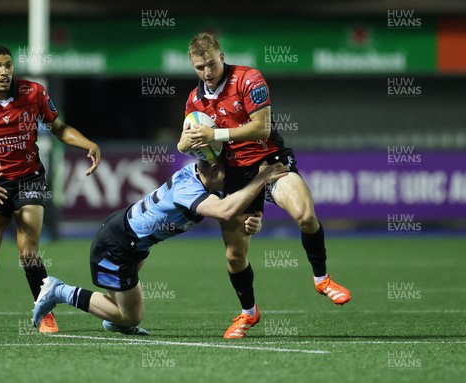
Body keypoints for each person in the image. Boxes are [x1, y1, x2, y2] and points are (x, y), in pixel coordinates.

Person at [177, 32, 351, 339]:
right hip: (234, 176)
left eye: (211, 64)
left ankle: (322, 279)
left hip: (269, 162)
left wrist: (214, 136)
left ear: (222, 57)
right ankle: (248, 314)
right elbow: (183, 144)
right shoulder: (194, 100)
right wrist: (186, 143)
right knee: (234, 255)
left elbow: (262, 126)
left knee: (305, 216)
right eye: (199, 67)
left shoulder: (248, 79)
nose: (207, 72)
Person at [32, 158, 289, 335]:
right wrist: (261, 179)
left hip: (132, 242)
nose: (230, 178)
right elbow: (225, 210)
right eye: (227, 172)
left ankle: (115, 320)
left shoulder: (199, 176)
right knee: (132, 317)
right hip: (117, 246)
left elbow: (233, 204)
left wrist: (255, 219)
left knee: (122, 306)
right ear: (213, 169)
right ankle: (60, 291)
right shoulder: (188, 190)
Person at [0, 44, 101, 333]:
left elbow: (58, 128)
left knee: (28, 253)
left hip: (29, 180)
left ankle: (43, 309)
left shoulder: (33, 93)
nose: (4, 71)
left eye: (8, 64)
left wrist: (88, 143)